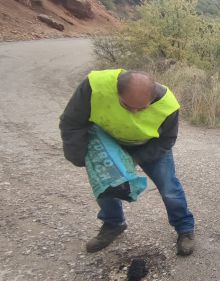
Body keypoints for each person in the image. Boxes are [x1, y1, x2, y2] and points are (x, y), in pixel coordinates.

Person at [59, 69, 195, 255]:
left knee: (169, 188)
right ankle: (113, 224)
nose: (135, 112)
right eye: (127, 106)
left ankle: (184, 228)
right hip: (109, 140)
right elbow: (72, 121)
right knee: (106, 184)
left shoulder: (168, 105)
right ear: (117, 93)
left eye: (142, 108)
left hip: (149, 144)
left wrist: (133, 160)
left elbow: (166, 141)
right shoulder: (95, 86)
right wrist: (76, 154)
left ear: (152, 97)